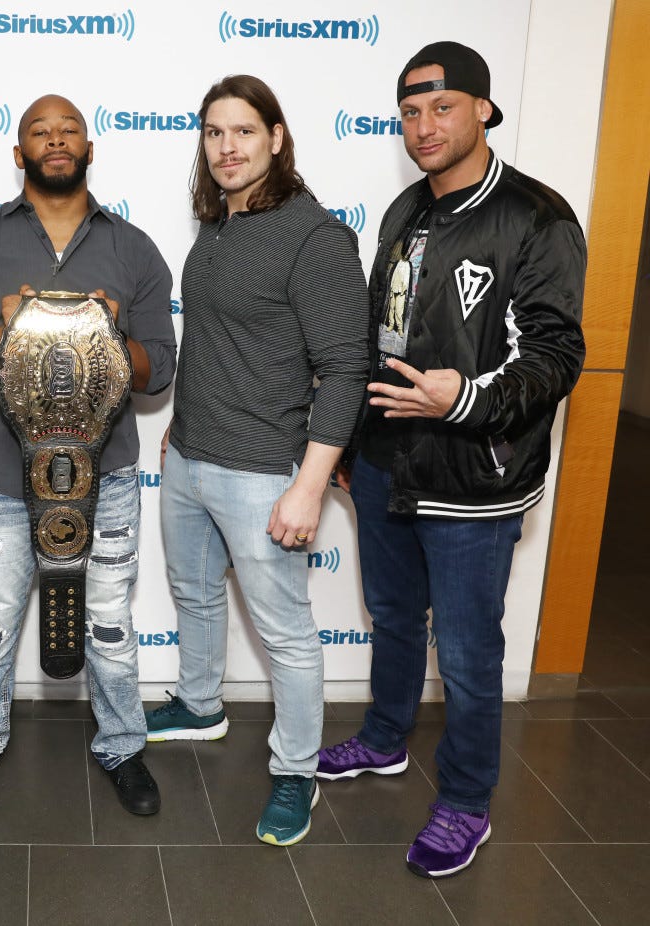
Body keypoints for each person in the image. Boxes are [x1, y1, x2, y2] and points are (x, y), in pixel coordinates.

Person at [315, 42, 586, 878]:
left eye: (441, 106)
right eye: (408, 110)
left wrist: (460, 399)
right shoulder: (404, 213)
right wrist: (357, 447)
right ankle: (388, 740)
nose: (422, 125)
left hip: (476, 475)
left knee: (467, 653)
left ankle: (466, 803)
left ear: (483, 111)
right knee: (395, 618)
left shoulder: (537, 217)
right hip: (392, 463)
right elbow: (378, 339)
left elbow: (554, 355)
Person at [0, 94, 177, 815]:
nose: (55, 141)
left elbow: (161, 365)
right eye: (40, 131)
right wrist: (12, 332)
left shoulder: (134, 249)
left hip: (109, 480)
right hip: (1, 476)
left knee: (111, 625)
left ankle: (123, 745)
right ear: (19, 151)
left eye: (69, 132)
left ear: (90, 150)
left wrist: (105, 337)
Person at [144, 75, 370, 847]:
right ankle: (201, 705)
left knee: (287, 636)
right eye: (214, 132)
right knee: (195, 594)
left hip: (265, 471)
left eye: (244, 130)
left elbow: (345, 368)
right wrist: (180, 426)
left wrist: (309, 486)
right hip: (190, 457)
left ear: (277, 137)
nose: (228, 147)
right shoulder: (216, 229)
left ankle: (297, 771)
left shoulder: (315, 236)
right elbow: (220, 344)